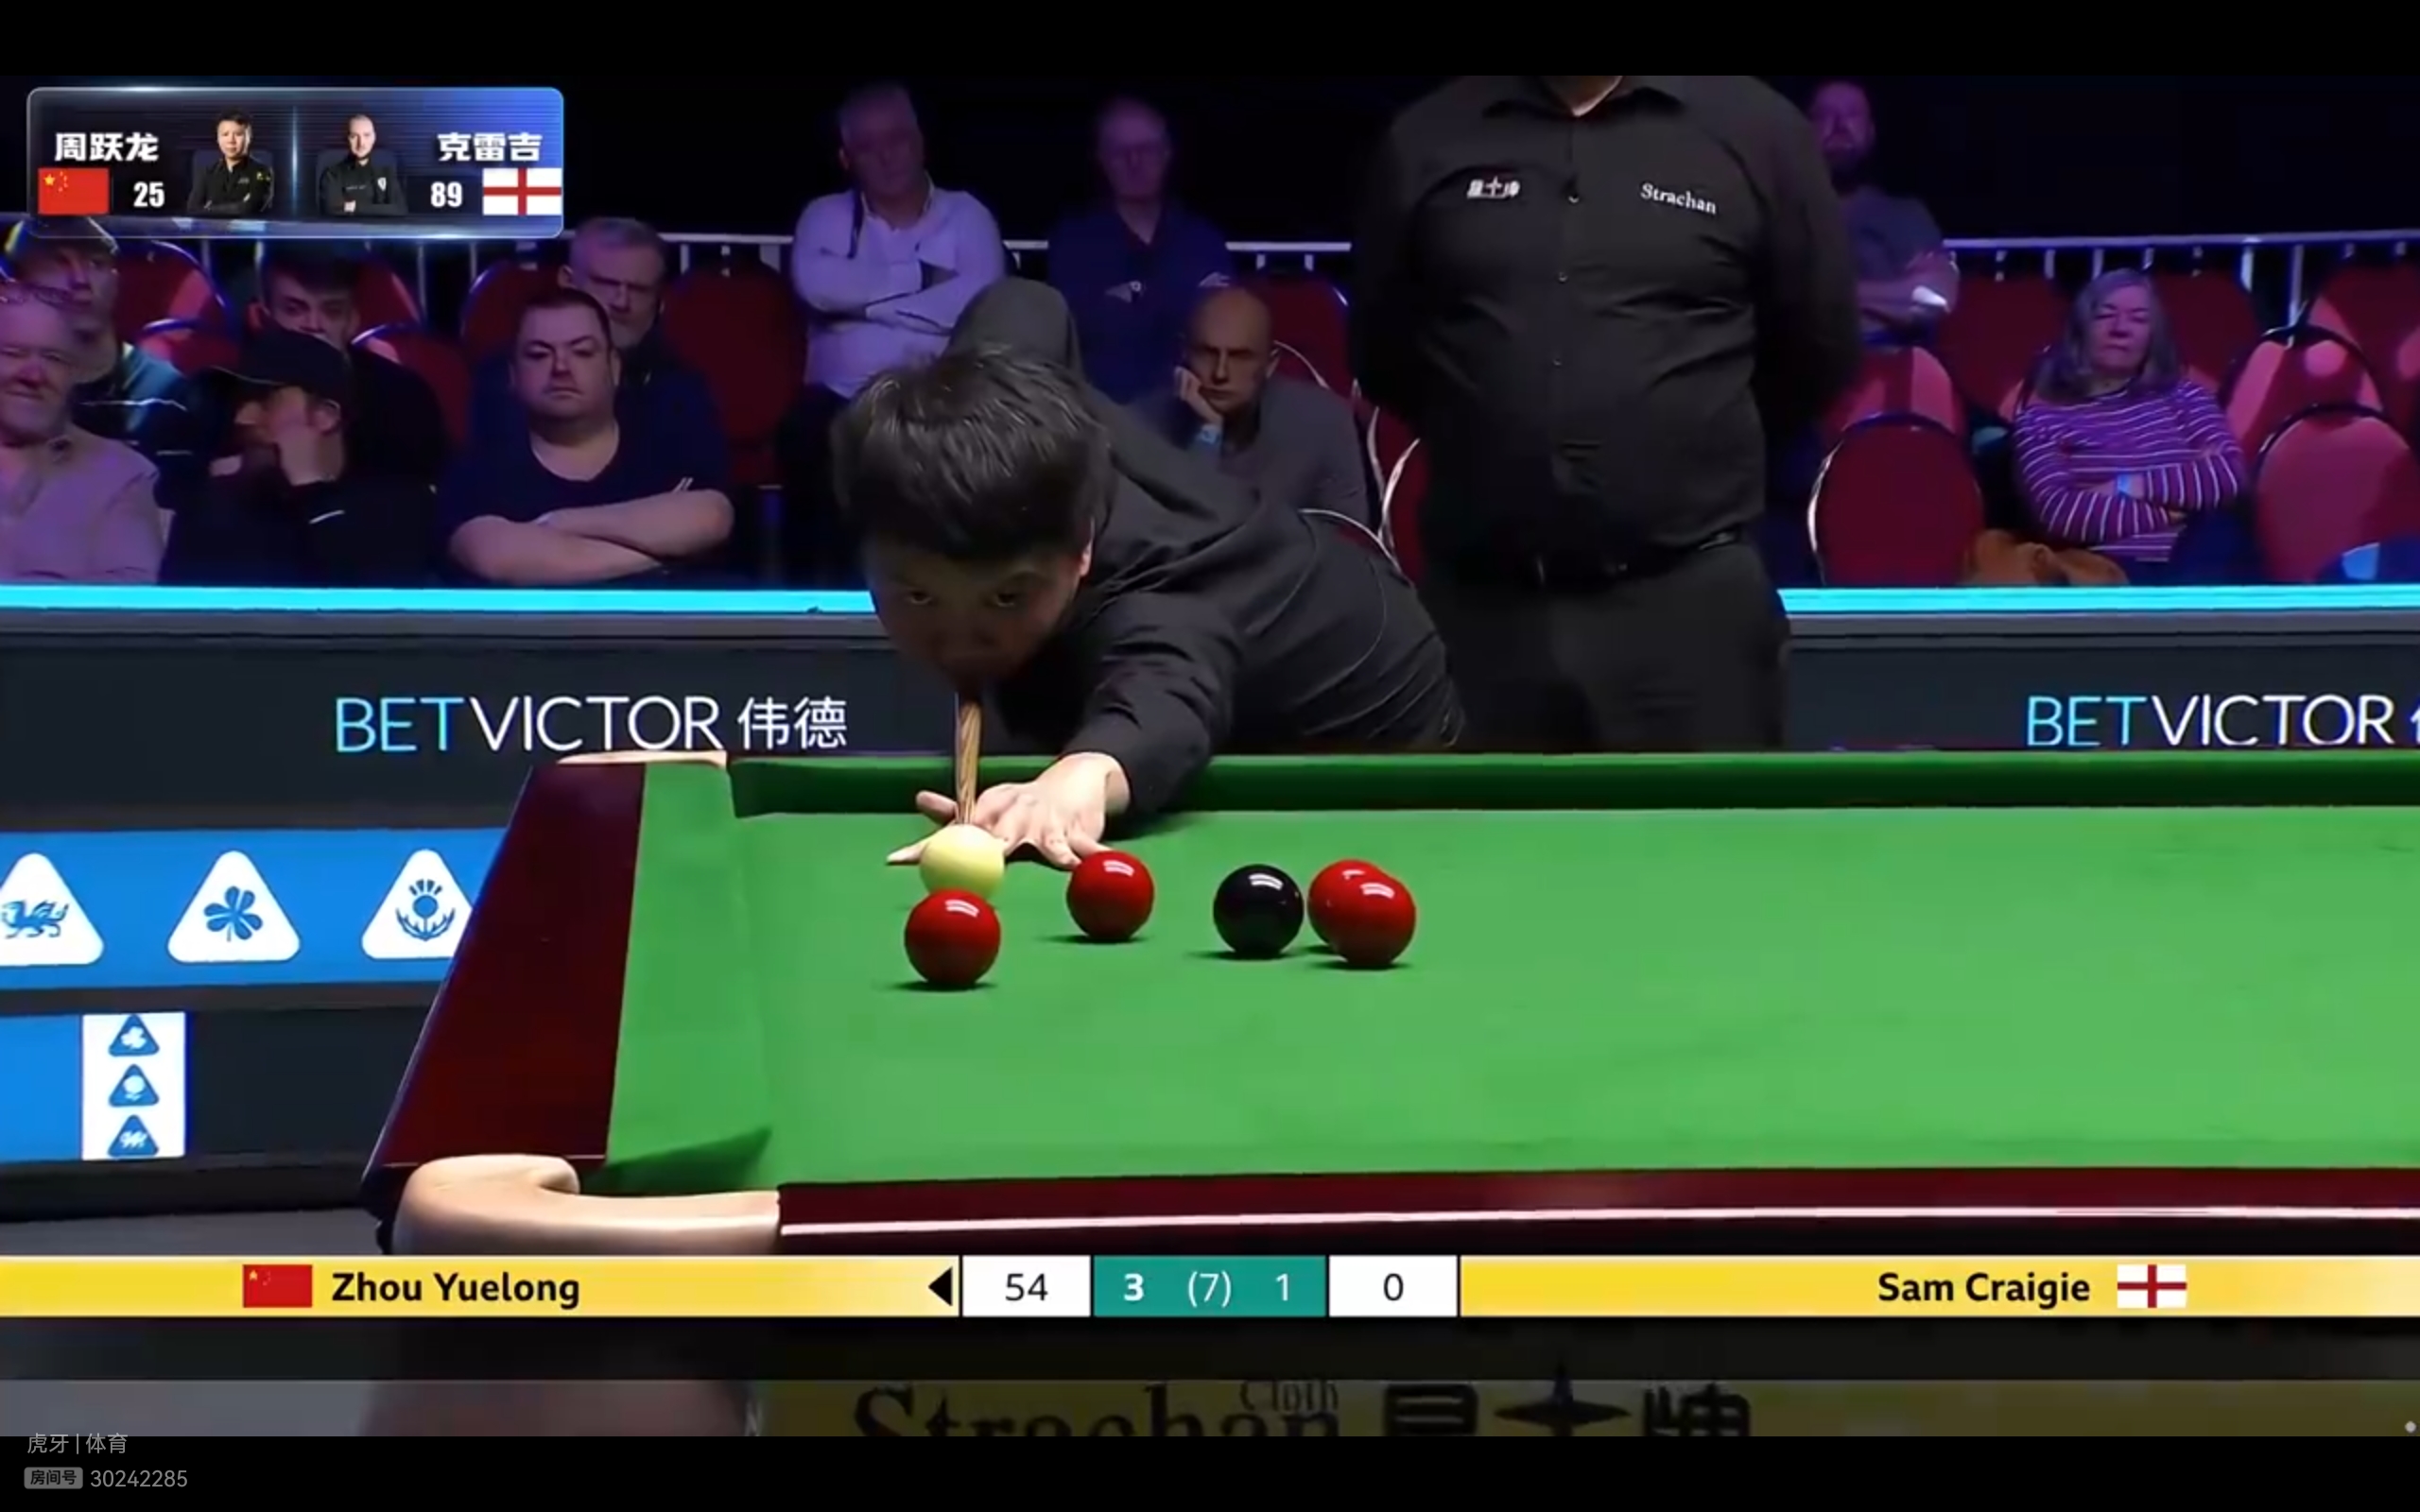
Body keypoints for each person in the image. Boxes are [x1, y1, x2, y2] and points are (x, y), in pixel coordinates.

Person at [836, 279, 1461, 868]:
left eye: (1005, 599)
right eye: (919, 595)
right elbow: (1028, 302)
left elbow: (1166, 701)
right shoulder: (1005, 385)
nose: (959, 641)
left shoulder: (1147, 593)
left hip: (1368, 717)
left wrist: (1077, 778)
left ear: (1082, 549)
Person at [1352, 75, 1862, 753]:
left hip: (1690, 612)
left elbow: (1817, 352)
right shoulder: (1426, 138)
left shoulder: (1757, 133)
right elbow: (1385, 354)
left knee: (1709, 829)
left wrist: (1667, 444)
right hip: (1480, 614)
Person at [779, 82, 1007, 585]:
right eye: (868, 146)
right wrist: (923, 279)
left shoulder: (967, 215)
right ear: (846, 158)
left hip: (944, 392)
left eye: (898, 139)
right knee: (805, 435)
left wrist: (863, 305)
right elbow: (816, 287)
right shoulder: (824, 216)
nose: (887, 156)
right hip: (841, 399)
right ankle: (813, 602)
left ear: (921, 142)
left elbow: (976, 301)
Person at [439, 290, 733, 587]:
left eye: (582, 352)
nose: (561, 368)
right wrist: (664, 554)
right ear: (513, 375)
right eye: (539, 355)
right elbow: (495, 557)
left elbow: (712, 517)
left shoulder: (666, 442)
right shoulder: (480, 469)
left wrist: (561, 522)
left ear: (614, 367)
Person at [2013, 269, 2248, 583]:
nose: (2120, 329)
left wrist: (2125, 486)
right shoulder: (2040, 421)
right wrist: (2176, 508)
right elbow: (2061, 514)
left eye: (2138, 319)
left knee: (2220, 531)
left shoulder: (2185, 397)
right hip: (2109, 571)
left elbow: (2228, 476)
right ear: (2080, 330)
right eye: (2105, 316)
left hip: (2201, 556)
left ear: (2153, 337)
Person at [161, 330, 436, 586]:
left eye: (264, 401)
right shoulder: (212, 509)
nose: (242, 419)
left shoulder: (395, 511)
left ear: (325, 416)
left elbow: (367, 612)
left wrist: (310, 492)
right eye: (239, 402)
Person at [468, 217, 722, 470]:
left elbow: (704, 482)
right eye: (606, 284)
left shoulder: (683, 388)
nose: (621, 302)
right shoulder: (510, 375)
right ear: (568, 282)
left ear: (660, 301)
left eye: (638, 289)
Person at [2, 217, 211, 510]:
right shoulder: (10, 396)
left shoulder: (168, 395)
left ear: (116, 279)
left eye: (96, 263)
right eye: (59, 262)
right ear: (16, 284)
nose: (80, 279)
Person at [1046, 97, 1235, 404]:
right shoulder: (1074, 243)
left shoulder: (1202, 239)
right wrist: (1180, 301)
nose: (1134, 162)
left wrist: (1131, 299)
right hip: (1106, 412)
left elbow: (1221, 325)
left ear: (1167, 154)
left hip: (1195, 408)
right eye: (1119, 152)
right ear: (1101, 159)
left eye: (1146, 150)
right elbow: (1084, 328)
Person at [1130, 286, 1371, 524]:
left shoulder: (1325, 423)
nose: (1221, 373)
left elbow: (1350, 540)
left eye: (1240, 357)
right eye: (1207, 353)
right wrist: (1207, 434)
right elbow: (1177, 535)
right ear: (1184, 353)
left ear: (1270, 364)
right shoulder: (1140, 425)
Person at [0, 286, 167, 584]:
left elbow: (126, 601)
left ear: (75, 374)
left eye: (54, 358)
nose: (33, 375)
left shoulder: (122, 475)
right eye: (13, 353)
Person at [255, 249, 450, 485]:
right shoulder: (233, 396)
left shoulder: (405, 398)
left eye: (333, 311)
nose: (314, 325)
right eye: (294, 310)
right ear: (265, 316)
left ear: (353, 320)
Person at [1806, 78, 1958, 343]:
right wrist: (1887, 299)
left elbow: (1934, 298)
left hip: (1888, 362)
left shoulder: (1905, 215)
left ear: (1871, 133)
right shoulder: (1776, 213)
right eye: (1824, 115)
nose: (1839, 125)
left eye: (1852, 114)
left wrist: (1823, 293)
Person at [188, 111, 275, 218]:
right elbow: (192, 209)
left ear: (249, 138)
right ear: (218, 139)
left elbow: (250, 207)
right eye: (225, 134)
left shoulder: (263, 172)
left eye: (238, 134)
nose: (231, 140)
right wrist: (237, 206)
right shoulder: (207, 172)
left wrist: (208, 209)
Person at [317, 114, 405, 218]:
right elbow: (332, 210)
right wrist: (380, 208)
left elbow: (399, 209)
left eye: (366, 135)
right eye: (354, 136)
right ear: (347, 139)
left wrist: (355, 207)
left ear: (374, 138)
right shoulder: (333, 175)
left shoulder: (385, 172)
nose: (361, 143)